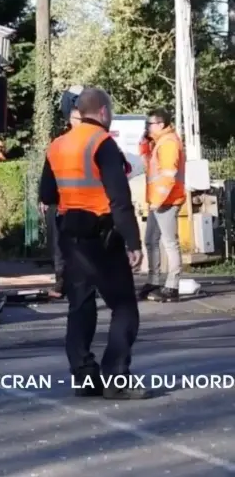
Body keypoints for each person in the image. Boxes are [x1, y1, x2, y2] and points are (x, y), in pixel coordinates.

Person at [39, 87, 150, 400]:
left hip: (70, 236)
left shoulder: (57, 145)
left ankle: (85, 378)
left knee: (80, 307)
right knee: (124, 307)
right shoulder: (102, 143)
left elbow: (48, 195)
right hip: (102, 236)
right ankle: (116, 378)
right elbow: (119, 198)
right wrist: (133, 242)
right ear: (103, 112)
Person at [137, 108, 185, 303]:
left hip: (167, 201)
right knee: (150, 240)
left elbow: (169, 175)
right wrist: (144, 144)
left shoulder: (169, 142)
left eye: (150, 124)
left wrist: (160, 200)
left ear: (161, 124)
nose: (147, 127)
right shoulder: (158, 143)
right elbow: (148, 165)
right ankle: (154, 280)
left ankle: (172, 285)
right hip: (157, 202)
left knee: (169, 243)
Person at [41, 107, 84, 297]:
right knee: (62, 247)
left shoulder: (61, 144)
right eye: (78, 118)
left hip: (75, 204)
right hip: (66, 204)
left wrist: (47, 197)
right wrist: (46, 198)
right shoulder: (59, 144)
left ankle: (68, 283)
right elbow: (48, 174)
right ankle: (65, 282)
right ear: (70, 120)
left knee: (70, 246)